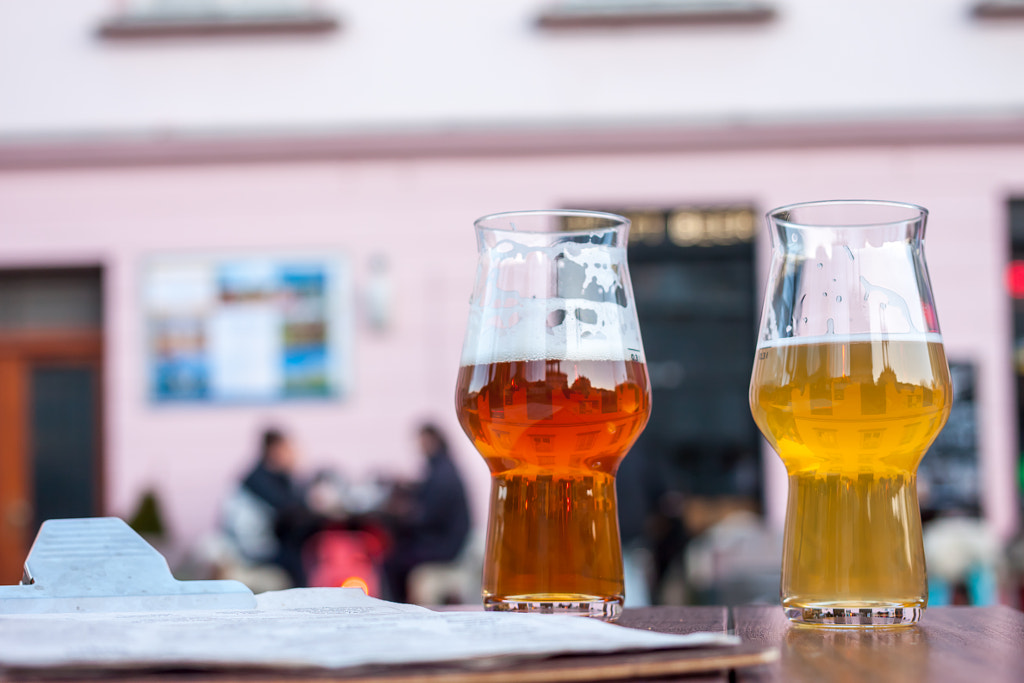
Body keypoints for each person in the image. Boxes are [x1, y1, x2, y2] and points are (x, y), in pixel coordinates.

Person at [381, 423, 471, 602]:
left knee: (391, 563)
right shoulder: (442, 468)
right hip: (446, 542)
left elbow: (429, 516)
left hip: (444, 546)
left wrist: (403, 512)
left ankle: (397, 607)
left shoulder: (442, 474)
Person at [226, 427, 325, 587]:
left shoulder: (276, 476)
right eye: (288, 449)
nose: (293, 454)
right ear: (274, 450)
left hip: (265, 542)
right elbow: (288, 509)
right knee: (298, 557)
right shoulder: (258, 479)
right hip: (252, 548)